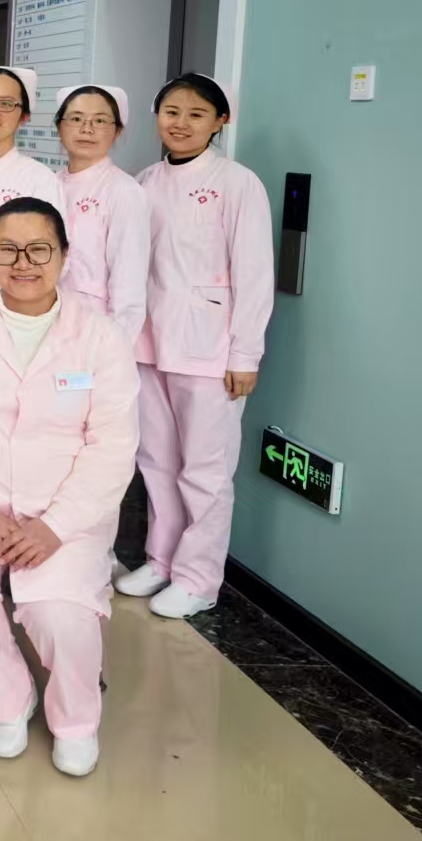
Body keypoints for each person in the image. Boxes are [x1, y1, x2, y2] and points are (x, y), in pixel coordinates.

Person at [0, 197, 138, 778]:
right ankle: (9, 696)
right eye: (8, 250)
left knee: (60, 613)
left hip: (65, 509)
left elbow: (113, 445)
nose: (24, 263)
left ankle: (76, 721)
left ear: (64, 255)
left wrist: (55, 526)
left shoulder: (101, 336)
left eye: (39, 249)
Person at [116, 74, 274, 618]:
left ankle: (199, 577)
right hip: (148, 344)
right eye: (171, 112)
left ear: (219, 122)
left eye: (196, 114)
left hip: (210, 349)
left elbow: (255, 273)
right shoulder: (144, 180)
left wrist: (245, 354)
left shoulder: (238, 183)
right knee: (156, 460)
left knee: (205, 471)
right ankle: (162, 560)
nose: (180, 123)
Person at [54, 84, 149, 346]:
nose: (87, 129)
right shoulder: (48, 184)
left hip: (96, 330)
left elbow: (129, 284)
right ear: (59, 126)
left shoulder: (124, 191)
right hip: (47, 323)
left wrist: (115, 349)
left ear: (117, 131)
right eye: (76, 119)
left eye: (100, 120)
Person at [0, 65, 64, 298]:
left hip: (9, 302)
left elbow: (47, 252)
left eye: (6, 104)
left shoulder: (38, 179)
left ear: (24, 117)